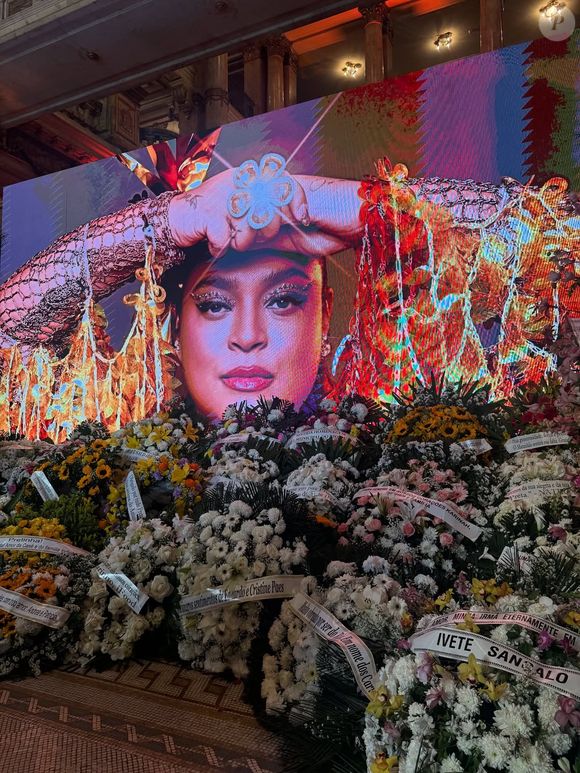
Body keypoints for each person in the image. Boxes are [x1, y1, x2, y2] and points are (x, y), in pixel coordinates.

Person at [0, 153, 577, 428]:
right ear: (175, 322)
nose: (248, 338)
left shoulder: (384, 443)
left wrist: (359, 204)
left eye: (282, 300)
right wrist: (174, 220)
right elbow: (10, 323)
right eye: (215, 304)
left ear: (324, 313)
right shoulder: (129, 444)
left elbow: (559, 231)